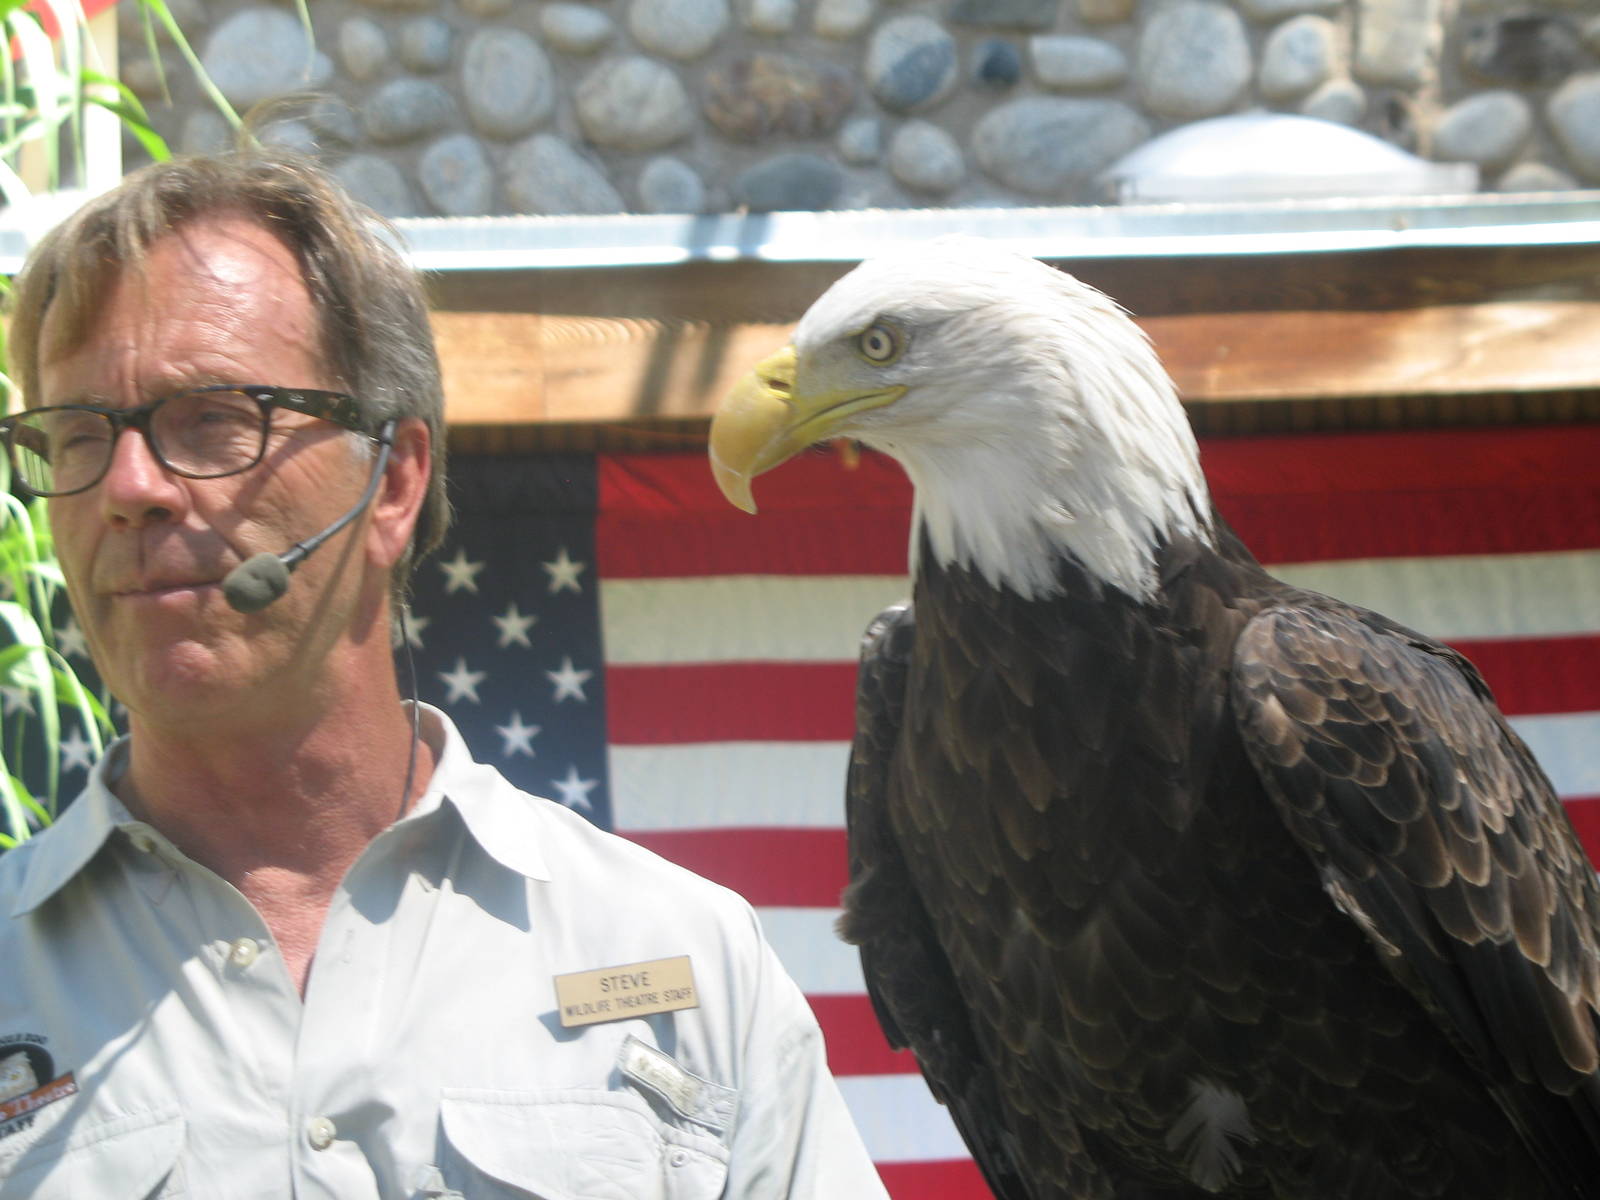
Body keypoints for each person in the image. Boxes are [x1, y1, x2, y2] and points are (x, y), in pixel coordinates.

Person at [0, 148, 890, 1198]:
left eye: (214, 419)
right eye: (76, 437)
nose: (128, 488)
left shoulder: (686, 956)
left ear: (394, 482)